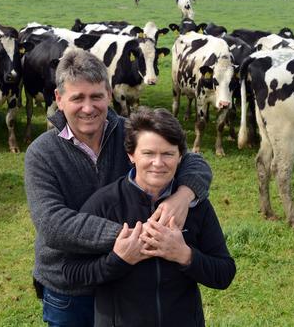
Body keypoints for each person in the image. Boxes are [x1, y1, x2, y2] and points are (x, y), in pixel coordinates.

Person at [24, 49, 213, 326]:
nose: (88, 108)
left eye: (96, 96)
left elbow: (195, 162)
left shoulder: (130, 133)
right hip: (71, 288)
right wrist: (139, 237)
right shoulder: (42, 153)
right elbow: (52, 224)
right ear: (59, 100)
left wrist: (184, 195)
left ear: (109, 95)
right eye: (78, 98)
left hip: (127, 282)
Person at [62, 107, 235, 326]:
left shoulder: (195, 206)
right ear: (131, 155)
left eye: (168, 154)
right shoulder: (103, 204)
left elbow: (224, 274)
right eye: (148, 153)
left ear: (181, 156)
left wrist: (184, 255)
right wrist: (118, 260)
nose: (158, 163)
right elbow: (71, 272)